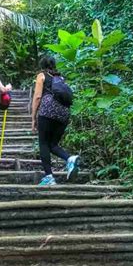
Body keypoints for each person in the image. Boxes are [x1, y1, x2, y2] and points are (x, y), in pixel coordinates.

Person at [31, 56, 80, 185]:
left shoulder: (41, 76)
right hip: (63, 113)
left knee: (43, 143)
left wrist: (33, 117)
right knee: (52, 145)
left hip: (47, 111)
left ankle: (49, 177)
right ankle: (70, 158)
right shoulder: (60, 78)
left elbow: (37, 97)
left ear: (42, 65)